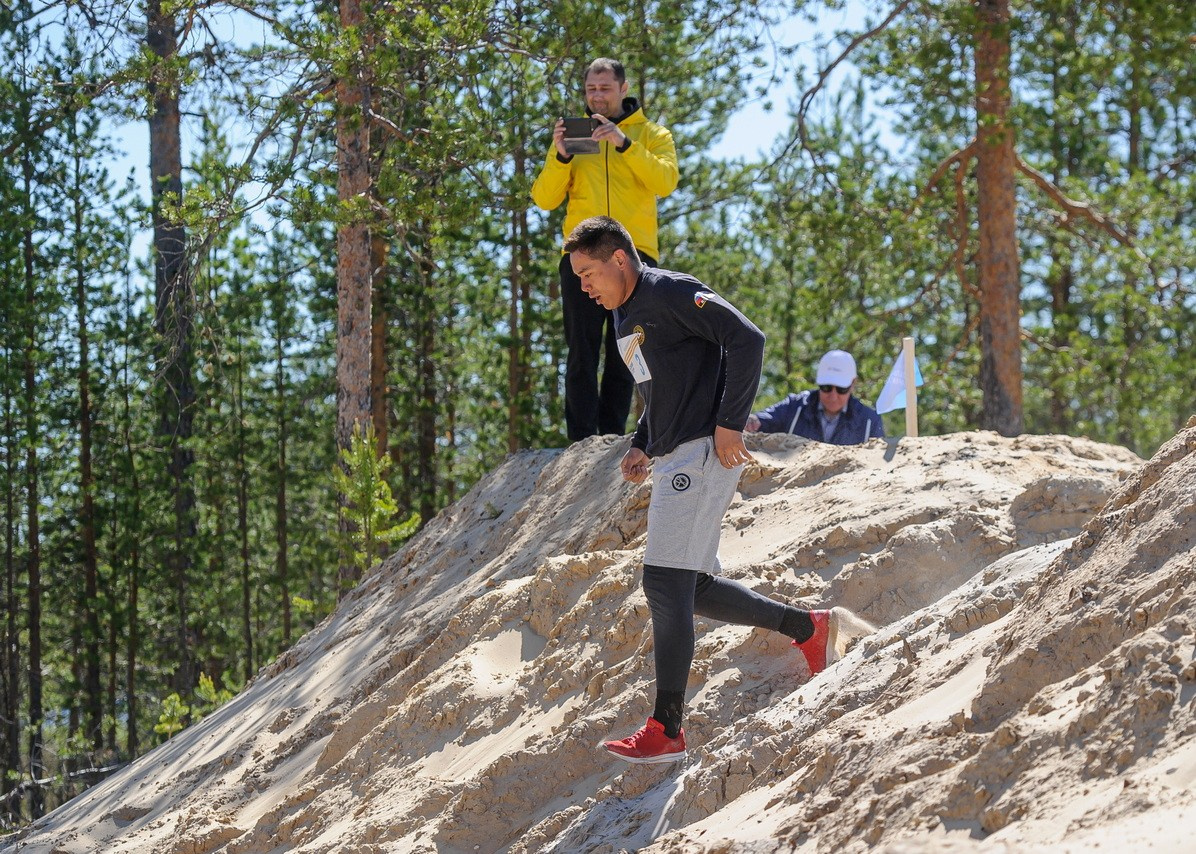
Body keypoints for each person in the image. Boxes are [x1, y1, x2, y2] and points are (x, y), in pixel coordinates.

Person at [563, 216, 871, 765]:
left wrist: (730, 422)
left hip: (706, 451)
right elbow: (654, 387)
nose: (583, 285)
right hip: (676, 454)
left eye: (588, 273)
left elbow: (747, 338)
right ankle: (810, 629)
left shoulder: (669, 291)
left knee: (662, 581)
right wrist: (643, 442)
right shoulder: (621, 315)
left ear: (617, 259)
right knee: (694, 587)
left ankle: (668, 728)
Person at [531, 57, 679, 442]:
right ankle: (581, 440)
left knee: (627, 348)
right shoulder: (572, 138)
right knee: (581, 349)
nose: (597, 96)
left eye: (605, 88)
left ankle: (613, 437)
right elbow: (544, 198)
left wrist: (624, 144)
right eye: (591, 89)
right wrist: (562, 155)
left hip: (634, 255)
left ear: (623, 89)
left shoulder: (652, 134)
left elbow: (665, 181)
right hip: (581, 257)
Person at [745, 350, 885, 444]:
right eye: (826, 387)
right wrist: (753, 420)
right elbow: (764, 419)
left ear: (853, 383)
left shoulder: (869, 422)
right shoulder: (795, 407)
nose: (833, 395)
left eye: (842, 389)